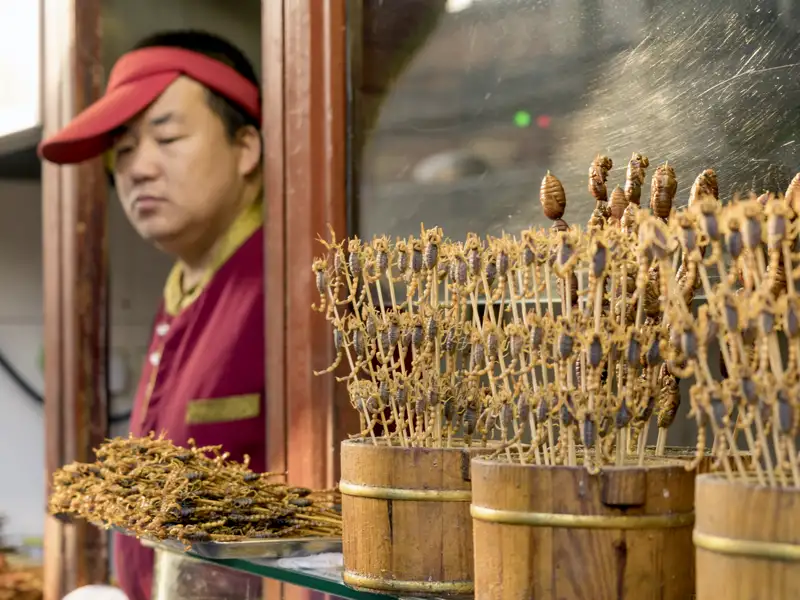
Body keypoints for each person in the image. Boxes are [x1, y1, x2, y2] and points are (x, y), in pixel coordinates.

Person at [39, 30, 266, 600]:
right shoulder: (185, 288)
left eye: (166, 137)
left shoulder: (289, 290)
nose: (137, 169)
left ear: (246, 148)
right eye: (124, 150)